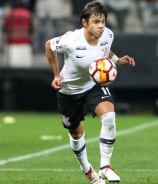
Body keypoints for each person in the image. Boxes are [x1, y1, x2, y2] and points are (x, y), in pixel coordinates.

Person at [45, 1, 135, 184]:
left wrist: (117, 60)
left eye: (103, 21)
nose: (101, 26)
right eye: (96, 22)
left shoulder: (108, 35)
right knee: (76, 135)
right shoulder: (71, 40)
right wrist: (56, 75)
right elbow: (48, 46)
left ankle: (105, 167)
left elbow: (104, 50)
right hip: (69, 91)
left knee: (109, 116)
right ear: (84, 23)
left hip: (93, 85)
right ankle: (88, 171)